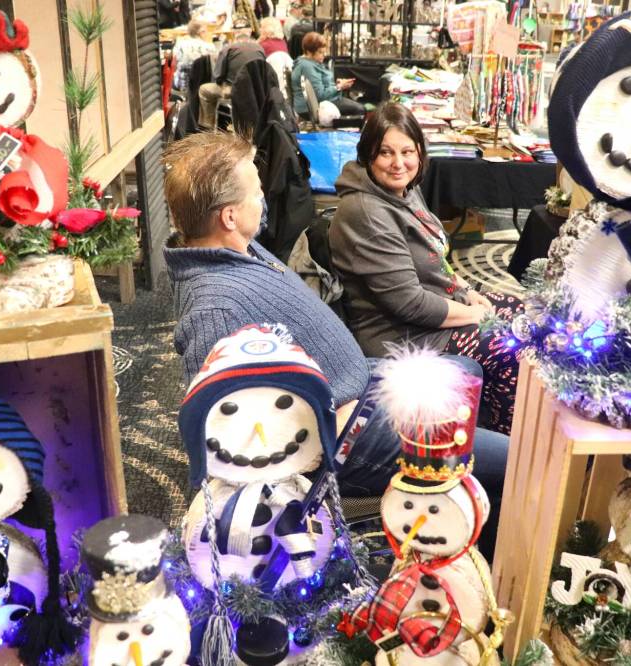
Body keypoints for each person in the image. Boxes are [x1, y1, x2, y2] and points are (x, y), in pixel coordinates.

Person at [162, 132, 508, 555]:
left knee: (468, 373)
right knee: (511, 466)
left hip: (360, 380)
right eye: (256, 193)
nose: (264, 201)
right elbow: (218, 435)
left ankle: (461, 492)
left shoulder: (238, 249)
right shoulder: (215, 308)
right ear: (230, 217)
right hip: (349, 435)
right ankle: (476, 564)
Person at [329, 102, 522, 435]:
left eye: (407, 151)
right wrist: (474, 314)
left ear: (420, 152)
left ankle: (491, 415)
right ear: (368, 155)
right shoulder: (366, 211)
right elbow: (408, 303)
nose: (398, 163)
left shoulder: (405, 190)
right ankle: (510, 451)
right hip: (399, 333)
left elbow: (435, 257)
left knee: (522, 312)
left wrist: (468, 293)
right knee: (509, 344)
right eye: (385, 152)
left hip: (435, 305)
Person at [198, 32, 265, 128]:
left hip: (234, 90)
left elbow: (218, 75)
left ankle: (207, 127)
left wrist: (221, 82)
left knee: (204, 90)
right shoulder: (260, 49)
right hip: (257, 90)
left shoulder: (228, 49)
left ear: (235, 40)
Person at [290, 32, 363, 118]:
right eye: (320, 52)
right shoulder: (307, 67)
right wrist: (338, 87)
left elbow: (319, 87)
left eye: (324, 52)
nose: (324, 55)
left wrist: (336, 84)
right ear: (309, 52)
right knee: (360, 109)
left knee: (359, 108)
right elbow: (320, 95)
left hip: (321, 103)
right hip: (313, 108)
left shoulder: (309, 62)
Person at [172, 20, 217, 90]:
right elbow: (215, 69)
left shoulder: (179, 45)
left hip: (182, 85)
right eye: (206, 31)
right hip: (204, 87)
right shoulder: (210, 47)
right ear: (201, 32)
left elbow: (174, 64)